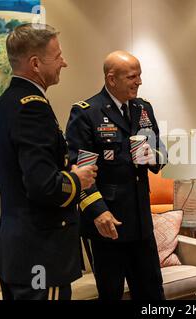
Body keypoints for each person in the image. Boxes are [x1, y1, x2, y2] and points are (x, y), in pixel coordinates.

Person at [0, 23, 97, 300]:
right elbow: (42, 186)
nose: (65, 63)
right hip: (41, 252)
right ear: (35, 63)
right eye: (58, 56)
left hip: (18, 251)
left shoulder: (4, 104)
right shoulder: (33, 108)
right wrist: (77, 178)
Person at [65, 50, 166, 300]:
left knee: (153, 294)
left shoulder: (143, 109)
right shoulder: (88, 113)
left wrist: (150, 155)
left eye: (140, 75)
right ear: (112, 79)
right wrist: (98, 211)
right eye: (133, 76)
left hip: (141, 223)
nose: (139, 81)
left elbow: (161, 153)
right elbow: (81, 172)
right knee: (111, 294)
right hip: (108, 224)